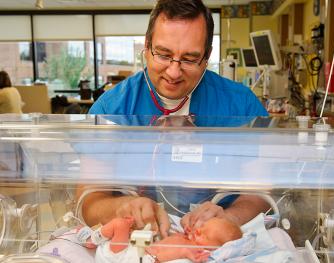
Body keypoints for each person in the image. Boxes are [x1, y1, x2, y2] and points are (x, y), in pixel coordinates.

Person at [80, 0, 269, 237]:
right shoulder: (111, 110)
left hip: (219, 239)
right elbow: (89, 202)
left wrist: (229, 218)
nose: (173, 71)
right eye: (163, 54)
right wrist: (121, 208)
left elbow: (260, 193)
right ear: (147, 47)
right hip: (137, 238)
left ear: (207, 56)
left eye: (189, 59)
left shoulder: (241, 107)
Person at [92, 216, 242, 263]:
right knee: (122, 227)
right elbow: (169, 245)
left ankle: (92, 238)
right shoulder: (188, 241)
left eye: (204, 235)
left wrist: (187, 251)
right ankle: (95, 237)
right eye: (201, 228)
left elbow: (163, 255)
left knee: (120, 224)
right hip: (133, 251)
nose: (197, 230)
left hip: (126, 258)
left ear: (215, 248)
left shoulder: (190, 250)